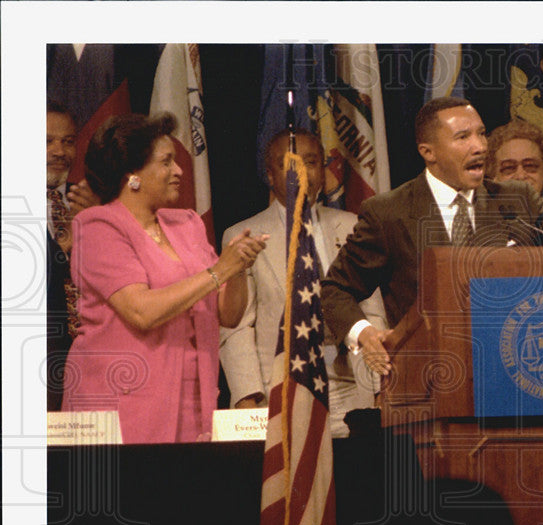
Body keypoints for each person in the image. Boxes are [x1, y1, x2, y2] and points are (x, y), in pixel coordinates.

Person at [321, 96, 543, 377]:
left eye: (482, 134)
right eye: (463, 137)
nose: (480, 146)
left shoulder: (514, 199)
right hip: (430, 379)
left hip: (515, 373)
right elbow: (337, 289)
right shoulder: (388, 212)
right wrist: (362, 334)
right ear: (428, 151)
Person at [61, 112, 267, 443]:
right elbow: (142, 311)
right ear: (133, 176)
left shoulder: (187, 224)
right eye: (167, 162)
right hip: (122, 409)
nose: (179, 171)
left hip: (193, 404)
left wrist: (238, 266)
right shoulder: (96, 227)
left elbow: (229, 315)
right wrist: (220, 271)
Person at [219, 129, 387, 437]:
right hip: (280, 390)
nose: (301, 172)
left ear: (323, 171)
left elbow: (372, 312)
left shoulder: (354, 227)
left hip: (352, 390)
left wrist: (378, 388)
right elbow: (237, 327)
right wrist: (248, 398)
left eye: (310, 162)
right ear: (270, 175)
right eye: (289, 164)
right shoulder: (241, 235)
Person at [46, 100, 99, 410]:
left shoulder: (89, 201)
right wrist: (61, 251)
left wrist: (99, 224)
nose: (59, 151)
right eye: (47, 141)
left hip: (93, 357)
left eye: (67, 141)